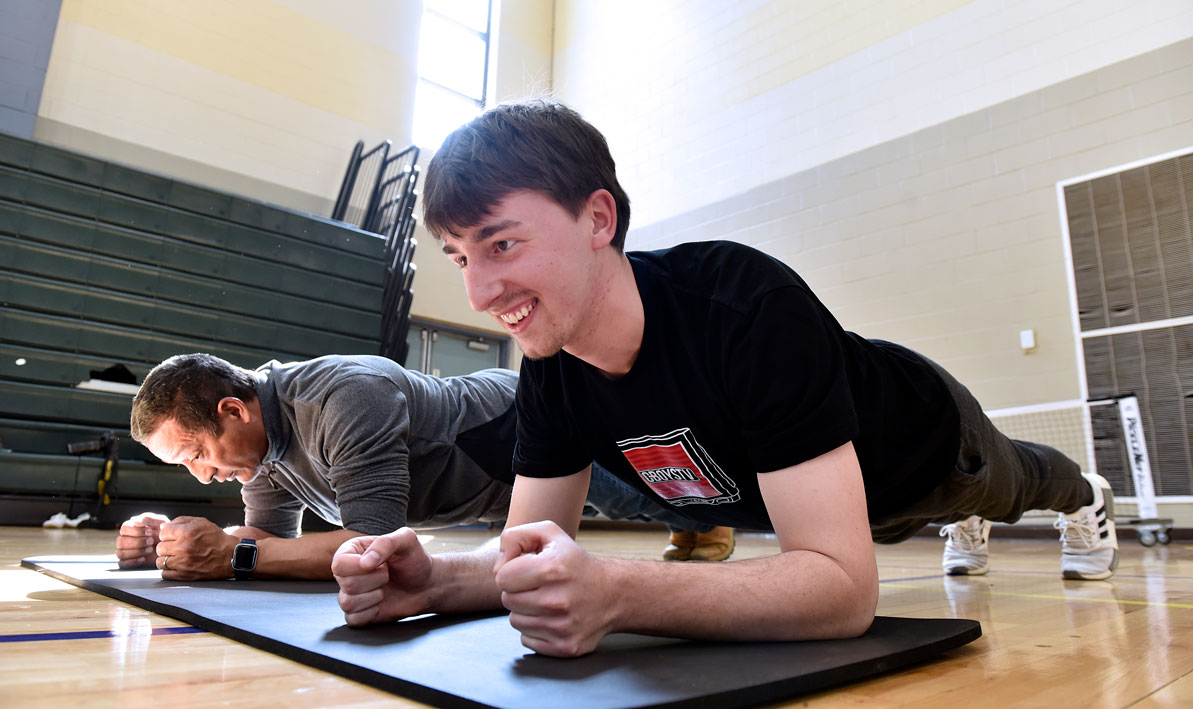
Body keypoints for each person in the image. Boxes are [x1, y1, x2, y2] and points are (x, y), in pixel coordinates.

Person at [331, 99, 1117, 658]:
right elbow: (530, 553)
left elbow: (841, 594)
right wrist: (432, 579)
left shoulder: (744, 303)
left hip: (926, 449)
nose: (477, 292)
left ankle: (1089, 498)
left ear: (598, 219)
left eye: (500, 245)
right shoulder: (551, 364)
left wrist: (617, 592)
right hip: (829, 508)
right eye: (460, 257)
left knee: (1021, 483)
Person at [117, 353, 727, 581]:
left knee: (634, 494)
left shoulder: (343, 397)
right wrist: (172, 541)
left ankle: (711, 512)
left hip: (513, 423)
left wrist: (234, 555)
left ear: (233, 410)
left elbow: (370, 542)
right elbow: (272, 543)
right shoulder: (258, 452)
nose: (200, 475)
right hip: (470, 491)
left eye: (196, 454)